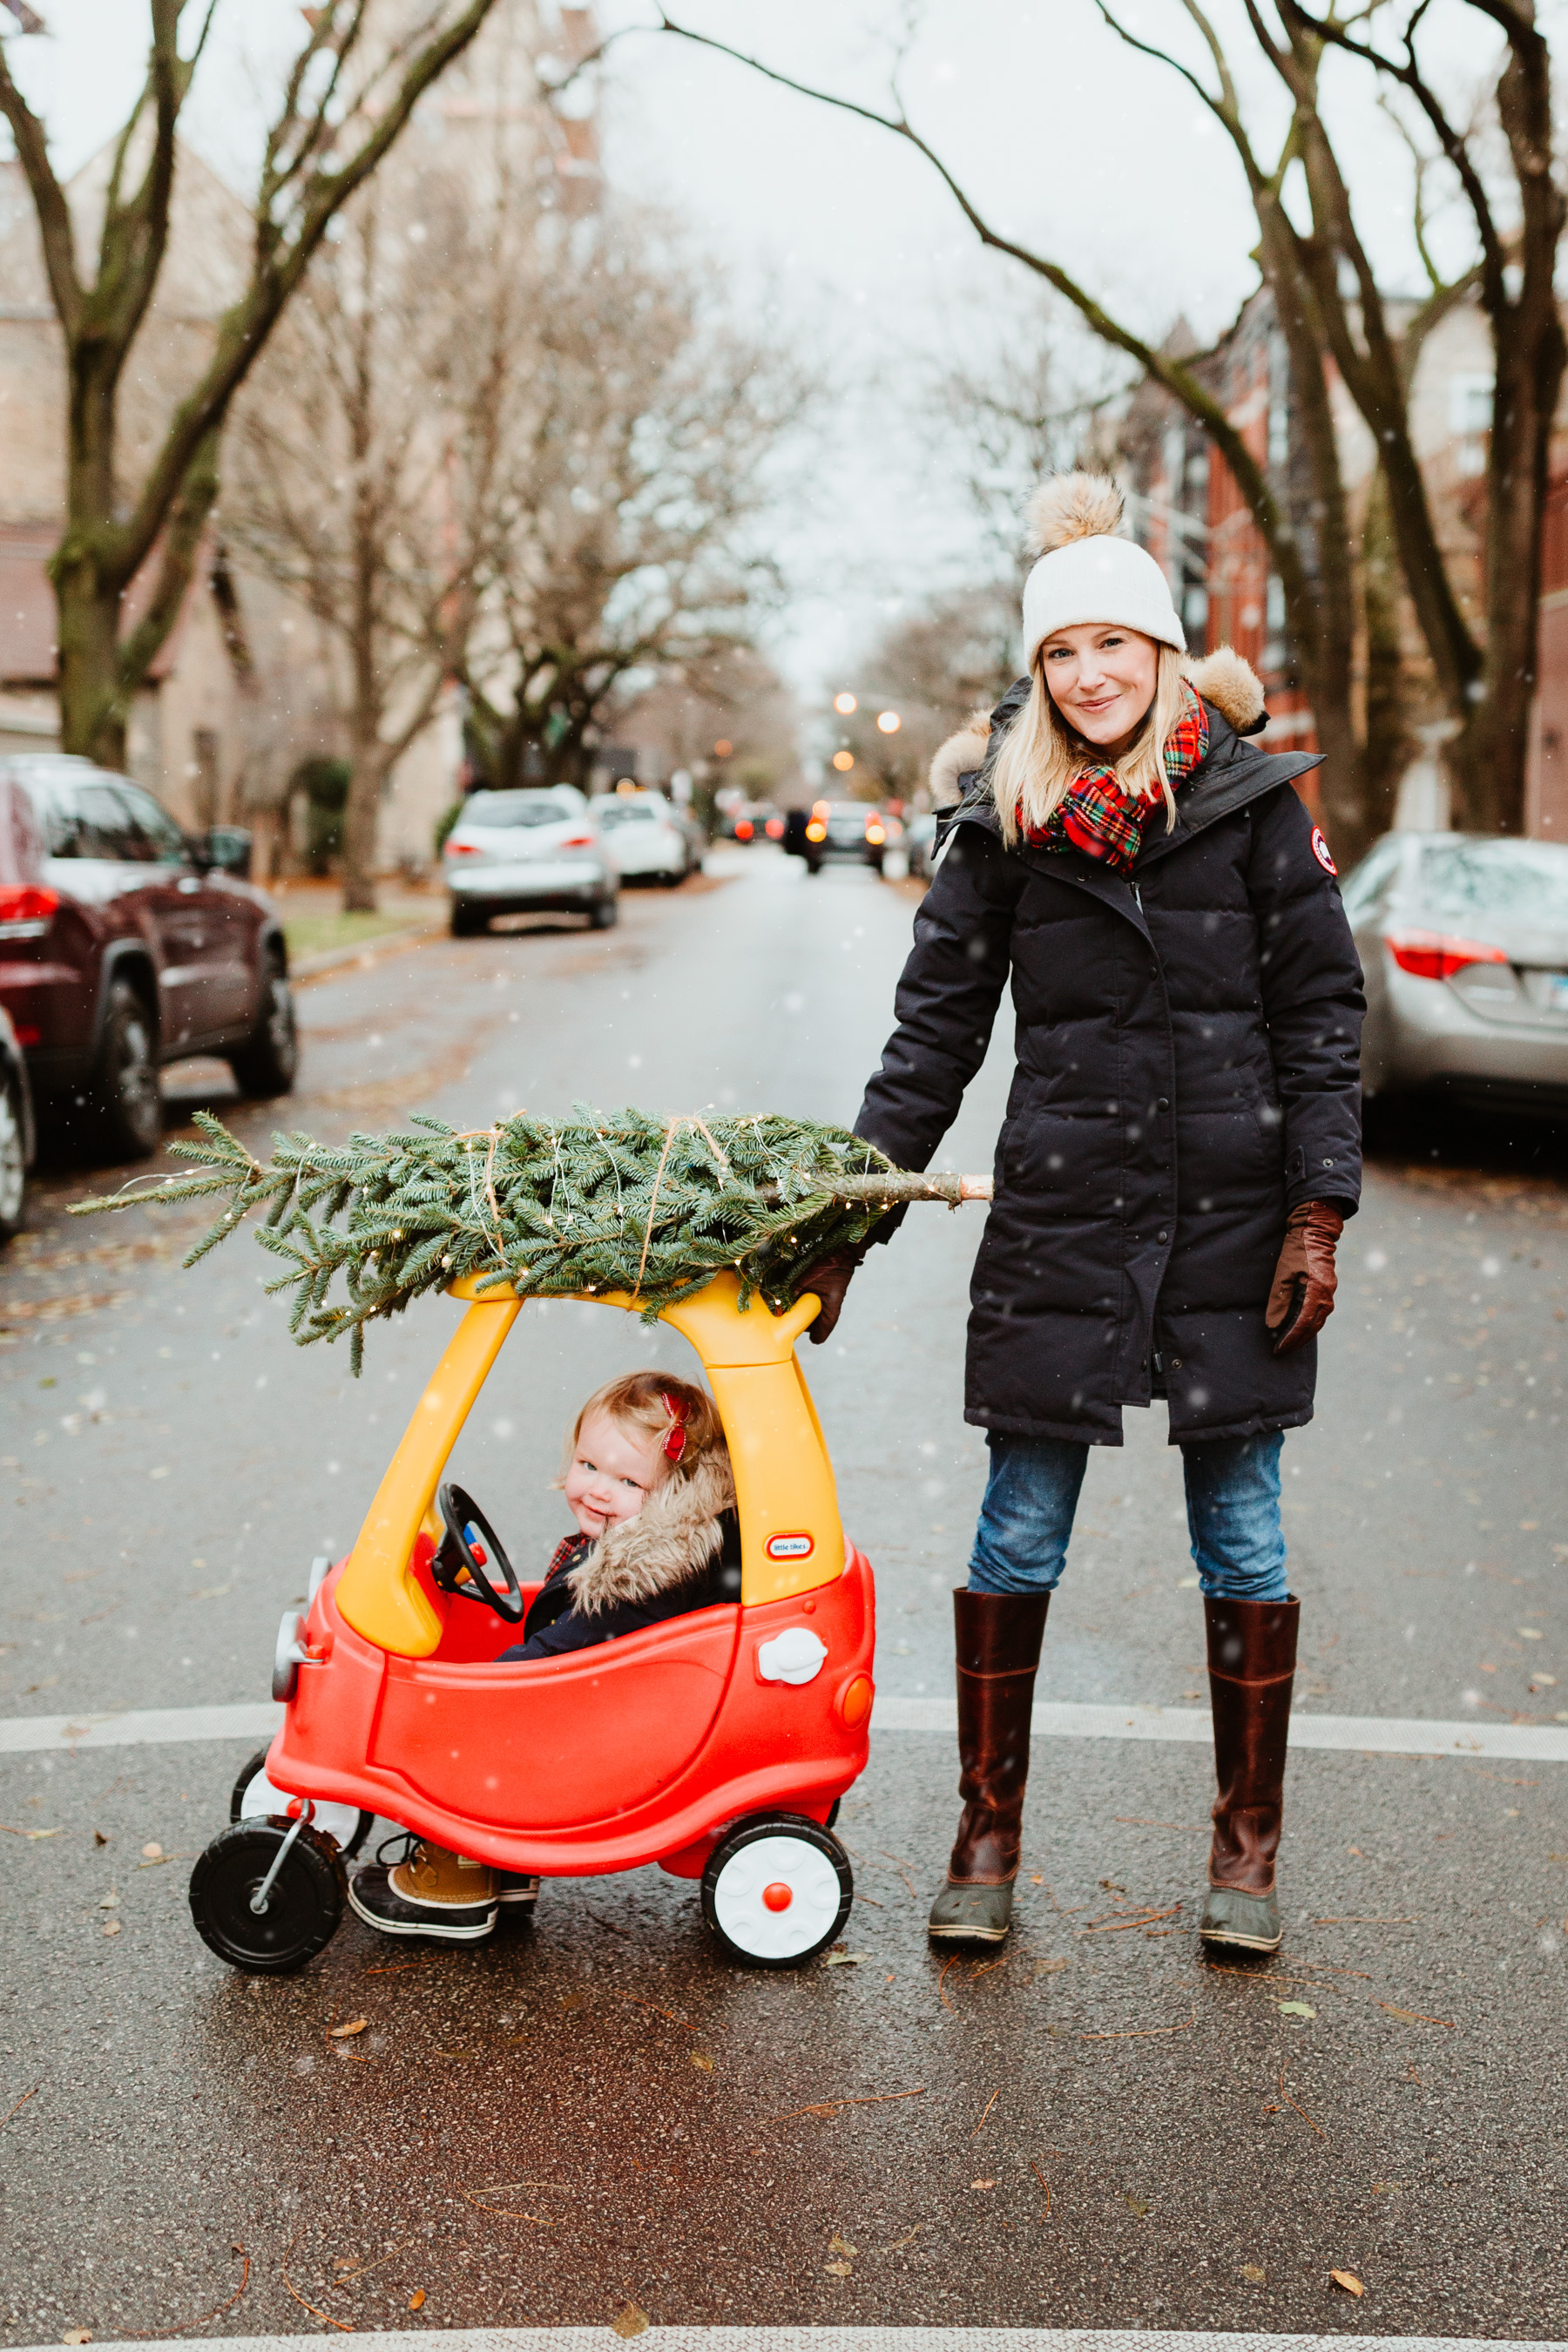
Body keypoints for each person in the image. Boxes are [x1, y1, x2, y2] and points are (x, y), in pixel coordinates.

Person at [808, 472, 1363, 1957]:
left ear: (1165, 654)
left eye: (1115, 644)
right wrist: (855, 1216)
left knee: (1242, 1537)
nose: (1091, 673)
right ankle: (987, 1835)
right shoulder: (1003, 822)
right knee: (1019, 1528)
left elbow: (1320, 1011)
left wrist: (1319, 1208)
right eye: (1063, 652)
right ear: (1039, 671)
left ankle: (1245, 1858)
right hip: (1065, 1210)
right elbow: (935, 1032)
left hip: (1235, 1220)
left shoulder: (1255, 806)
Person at [348, 1372, 740, 1942]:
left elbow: (556, 1659)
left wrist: (475, 1689)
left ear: (674, 1498)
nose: (598, 1490)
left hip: (600, 1740)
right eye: (588, 1467)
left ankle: (456, 1881)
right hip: (611, 1715)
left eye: (628, 1480)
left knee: (467, 1724)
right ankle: (502, 1867)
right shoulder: (631, 1549)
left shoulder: (631, 1584)